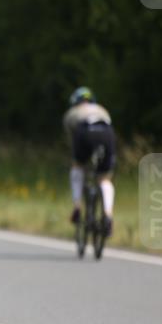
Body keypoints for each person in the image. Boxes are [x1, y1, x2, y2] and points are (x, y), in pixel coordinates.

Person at [63, 86, 116, 235]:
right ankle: (108, 214)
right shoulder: (102, 109)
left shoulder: (71, 114)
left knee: (77, 167)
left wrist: (78, 161)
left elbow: (72, 141)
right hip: (107, 132)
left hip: (84, 131)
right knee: (105, 178)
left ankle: (78, 206)